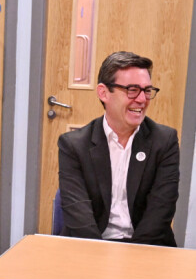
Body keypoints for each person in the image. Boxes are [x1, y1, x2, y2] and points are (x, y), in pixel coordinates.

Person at [58, 51, 179, 246]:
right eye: (132, 90)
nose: (141, 99)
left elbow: (161, 211)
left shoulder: (164, 141)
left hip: (147, 248)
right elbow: (77, 213)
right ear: (103, 93)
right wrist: (99, 258)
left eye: (147, 90)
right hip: (89, 246)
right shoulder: (73, 145)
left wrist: (131, 261)